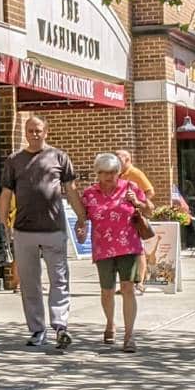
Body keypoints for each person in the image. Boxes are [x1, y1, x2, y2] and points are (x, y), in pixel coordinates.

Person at [0, 116, 85, 350]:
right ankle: (37, 330)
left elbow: (72, 191)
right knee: (29, 283)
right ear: (25, 133)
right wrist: (3, 223)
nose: (34, 134)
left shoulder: (59, 157)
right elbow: (5, 195)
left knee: (59, 280)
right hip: (23, 230)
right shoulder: (14, 161)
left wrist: (82, 218)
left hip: (53, 228)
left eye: (38, 130)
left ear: (46, 132)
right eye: (30, 130)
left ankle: (60, 326)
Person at [78, 154, 151, 353]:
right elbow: (82, 217)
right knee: (107, 291)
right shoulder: (89, 194)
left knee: (128, 289)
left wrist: (138, 202)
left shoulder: (129, 188)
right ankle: (110, 323)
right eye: (104, 173)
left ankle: (129, 335)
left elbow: (149, 211)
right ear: (97, 173)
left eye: (112, 172)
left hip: (129, 246)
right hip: (103, 248)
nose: (109, 176)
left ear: (118, 172)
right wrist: (81, 228)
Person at [115, 150, 155, 294]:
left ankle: (141, 282)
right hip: (122, 219)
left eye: (118, 157)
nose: (115, 160)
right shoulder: (117, 174)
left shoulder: (135, 173)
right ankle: (128, 283)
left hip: (135, 216)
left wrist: (139, 202)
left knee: (139, 251)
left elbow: (150, 191)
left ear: (127, 160)